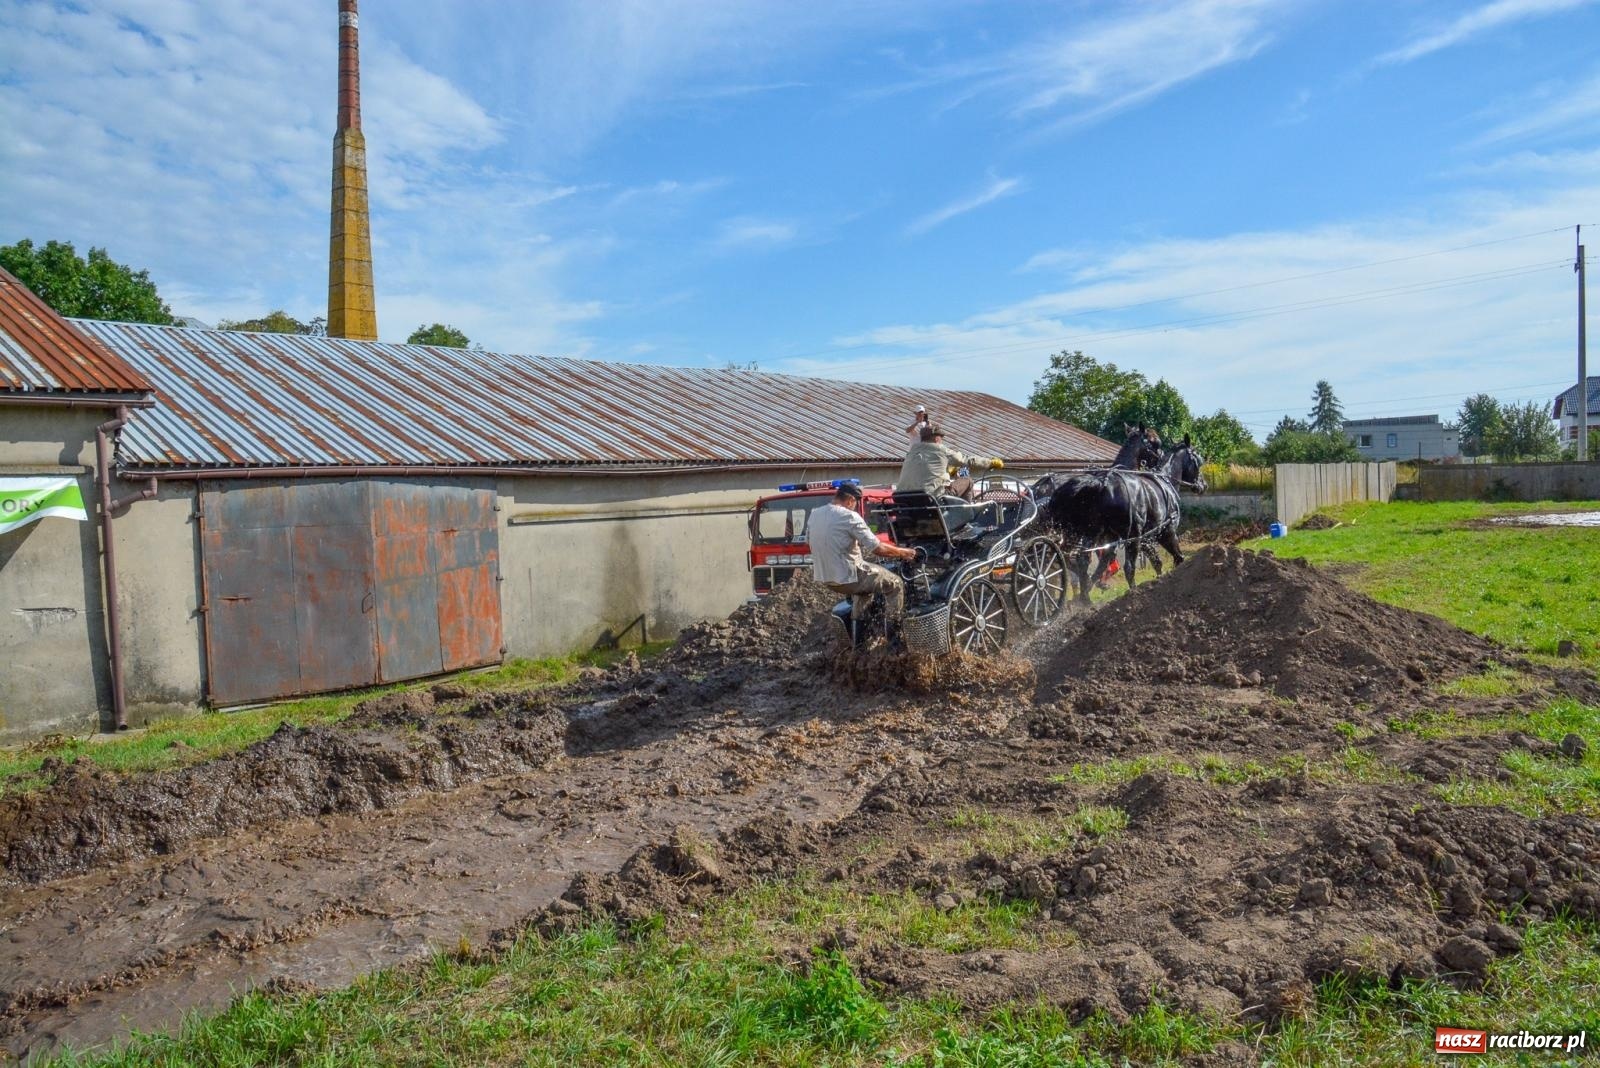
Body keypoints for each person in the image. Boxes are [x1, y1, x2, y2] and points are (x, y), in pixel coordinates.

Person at [809, 481, 918, 623]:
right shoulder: (849, 516)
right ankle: (894, 633)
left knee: (864, 591)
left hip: (827, 578)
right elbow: (878, 549)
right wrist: (904, 552)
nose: (854, 508)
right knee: (895, 583)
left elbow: (811, 541)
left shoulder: (815, 514)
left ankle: (859, 636)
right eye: (855, 504)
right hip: (849, 576)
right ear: (850, 500)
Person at [895, 424, 1003, 501]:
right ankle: (966, 518)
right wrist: (990, 462)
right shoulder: (941, 450)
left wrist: (947, 471)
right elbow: (968, 461)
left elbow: (927, 470)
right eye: (941, 438)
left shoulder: (911, 452)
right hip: (932, 497)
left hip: (903, 498)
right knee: (967, 480)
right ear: (937, 439)